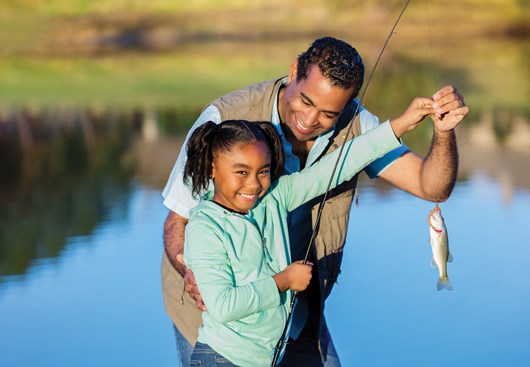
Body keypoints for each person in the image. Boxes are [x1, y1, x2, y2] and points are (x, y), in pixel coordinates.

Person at [161, 36, 468, 367]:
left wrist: (424, 126)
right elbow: (178, 222)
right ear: (293, 71)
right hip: (221, 339)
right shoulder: (224, 121)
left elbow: (395, 174)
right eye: (305, 102)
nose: (308, 120)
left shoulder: (278, 190)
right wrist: (195, 274)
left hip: (290, 316)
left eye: (328, 113)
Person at [183, 116, 429, 366]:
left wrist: (399, 125)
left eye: (263, 171)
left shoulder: (275, 197)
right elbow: (223, 306)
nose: (254, 184)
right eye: (241, 172)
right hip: (222, 359)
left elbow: (338, 166)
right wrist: (284, 281)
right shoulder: (205, 227)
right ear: (212, 168)